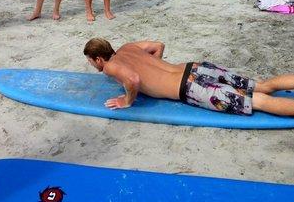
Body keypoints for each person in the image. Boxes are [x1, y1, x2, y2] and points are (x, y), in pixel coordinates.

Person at [83, 38, 294, 116]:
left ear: (99, 58)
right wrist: (157, 72)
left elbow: (133, 80)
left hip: (191, 89)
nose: (92, 65)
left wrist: (127, 101)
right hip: (194, 69)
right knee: (263, 86)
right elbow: (158, 45)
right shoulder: (128, 47)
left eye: (91, 61)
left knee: (259, 101)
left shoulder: (111, 66)